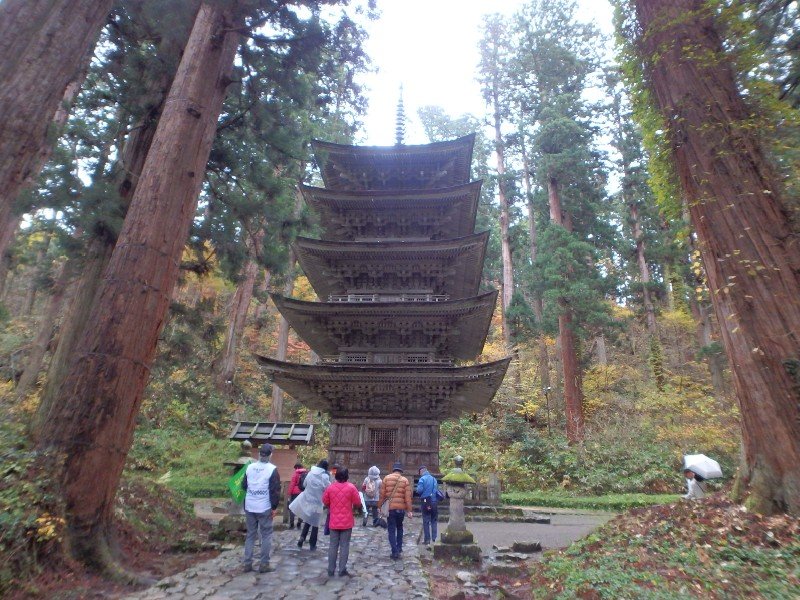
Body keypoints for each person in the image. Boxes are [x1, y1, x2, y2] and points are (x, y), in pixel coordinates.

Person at [241, 443, 280, 573]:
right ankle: (264, 564)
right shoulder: (272, 469)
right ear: (270, 455)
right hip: (264, 506)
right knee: (266, 535)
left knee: (250, 535)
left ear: (259, 454)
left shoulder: (250, 467)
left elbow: (243, 485)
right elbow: (275, 490)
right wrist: (274, 507)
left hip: (249, 505)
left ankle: (247, 564)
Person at [322, 467, 362, 578]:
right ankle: (342, 569)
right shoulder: (351, 488)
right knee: (344, 546)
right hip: (347, 522)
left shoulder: (330, 487)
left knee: (333, 545)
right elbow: (357, 502)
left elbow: (325, 501)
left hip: (334, 521)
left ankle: (331, 570)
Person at [290, 459, 330, 551]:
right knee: (315, 524)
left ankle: (301, 538)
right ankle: (312, 543)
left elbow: (304, 484)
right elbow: (327, 488)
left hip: (308, 500)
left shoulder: (310, 473)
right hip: (318, 502)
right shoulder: (324, 476)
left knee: (308, 521)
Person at [379, 462, 412, 560]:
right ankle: (399, 548)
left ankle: (394, 552)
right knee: (400, 527)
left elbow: (382, 495)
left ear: (393, 469)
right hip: (401, 509)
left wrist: (379, 506)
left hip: (391, 509)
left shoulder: (386, 478)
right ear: (401, 470)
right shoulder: (405, 480)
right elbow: (408, 497)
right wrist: (409, 510)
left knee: (391, 530)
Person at [416, 465, 439, 545]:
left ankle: (427, 540)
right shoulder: (434, 479)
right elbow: (436, 490)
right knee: (434, 520)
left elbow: (419, 490)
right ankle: (434, 539)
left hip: (425, 502)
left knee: (426, 520)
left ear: (421, 471)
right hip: (434, 502)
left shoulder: (422, 479)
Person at [288, 462, 308, 529]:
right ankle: (299, 523)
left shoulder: (296, 474)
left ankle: (291, 524)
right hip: (303, 493)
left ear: (296, 468)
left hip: (295, 492)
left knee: (292, 508)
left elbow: (292, 484)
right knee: (302, 508)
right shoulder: (306, 473)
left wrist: (289, 493)